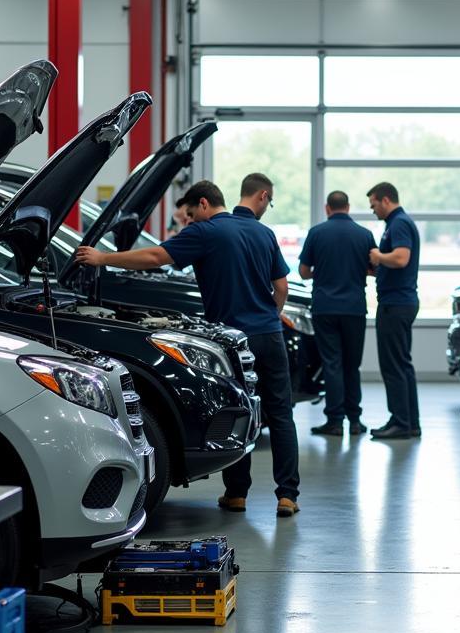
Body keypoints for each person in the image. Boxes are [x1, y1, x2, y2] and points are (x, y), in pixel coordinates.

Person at [75, 173, 301, 519]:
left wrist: (102, 258)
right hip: (270, 335)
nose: (189, 222)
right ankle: (287, 496)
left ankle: (237, 493)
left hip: (232, 341)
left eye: (191, 215)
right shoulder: (263, 232)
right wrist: (270, 315)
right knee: (281, 415)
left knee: (241, 413)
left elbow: (154, 258)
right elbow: (281, 286)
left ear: (204, 204)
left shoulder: (206, 231)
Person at [298, 190, 377, 437]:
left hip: (325, 308)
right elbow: (374, 270)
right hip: (354, 308)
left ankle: (334, 421)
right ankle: (355, 421)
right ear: (348, 207)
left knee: (332, 364)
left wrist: (321, 273)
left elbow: (303, 271)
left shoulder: (316, 233)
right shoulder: (365, 235)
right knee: (352, 366)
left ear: (327, 208)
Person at [366, 182, 421, 440]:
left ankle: (400, 421)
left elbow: (401, 258)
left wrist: (377, 256)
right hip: (400, 301)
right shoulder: (397, 223)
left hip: (396, 303)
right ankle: (409, 422)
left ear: (385, 200)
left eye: (374, 204)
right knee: (402, 363)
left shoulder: (398, 223)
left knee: (393, 365)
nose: (373, 210)